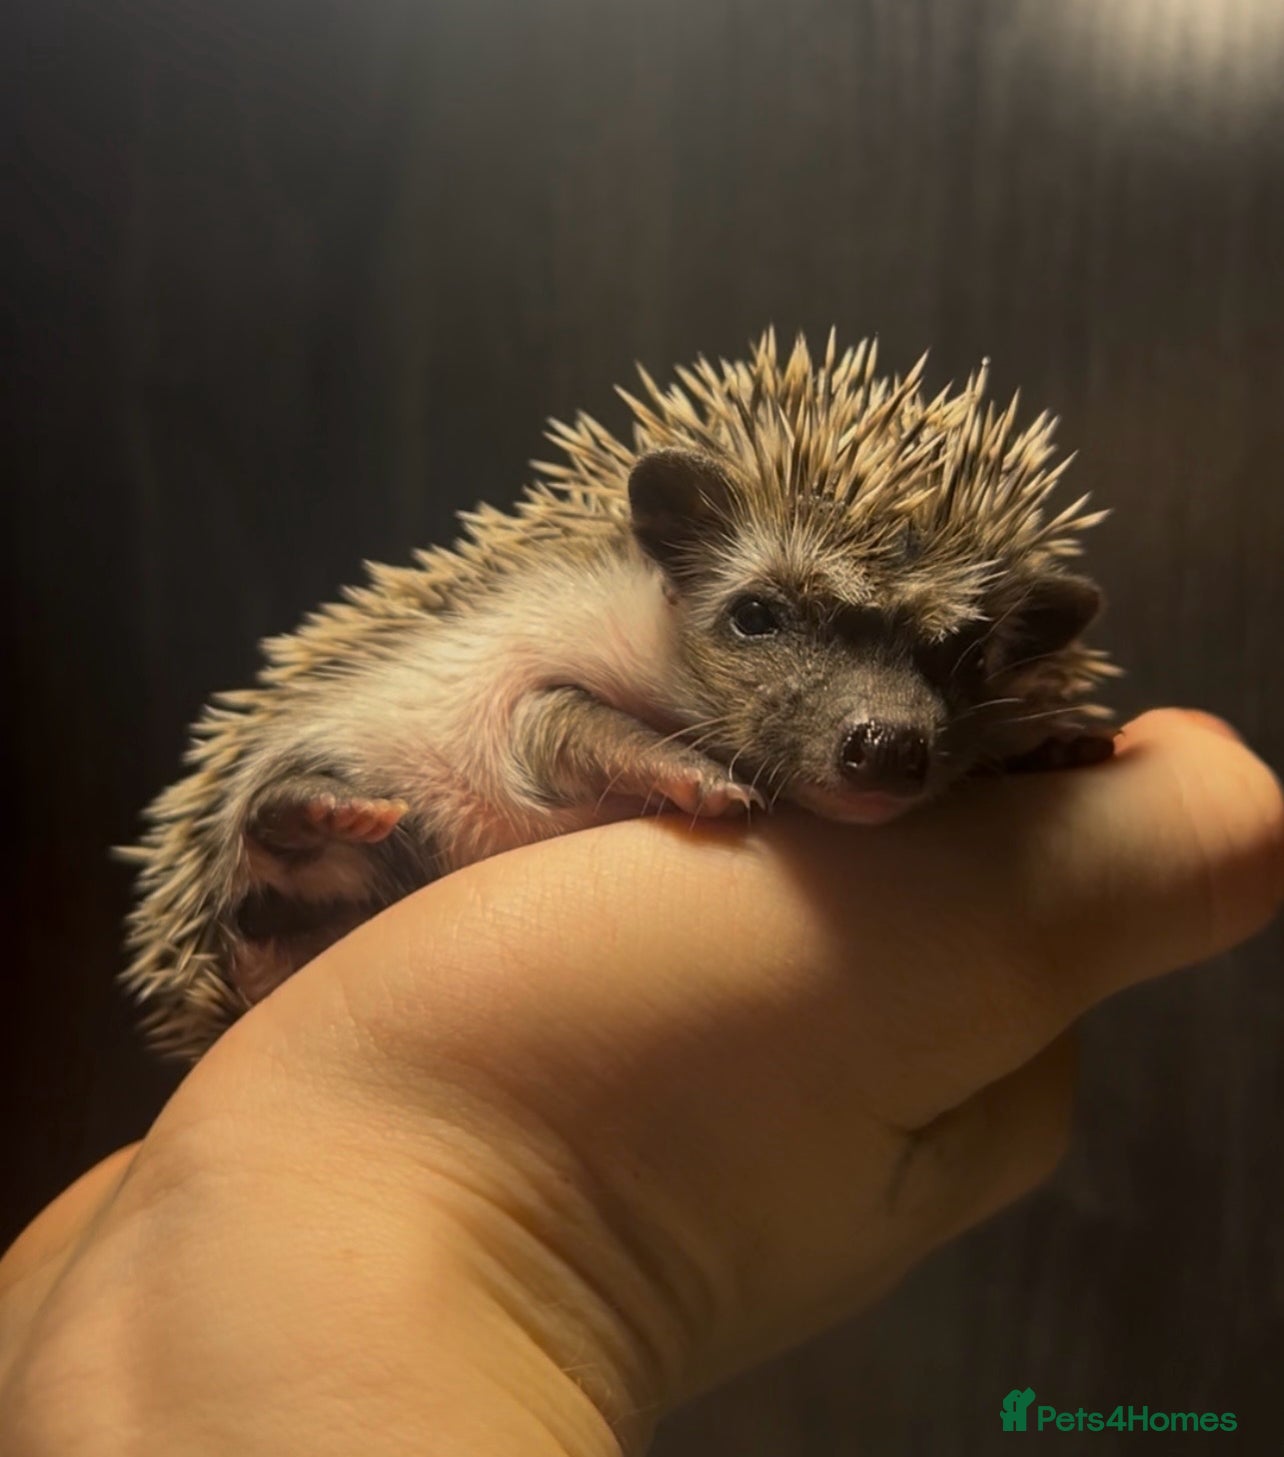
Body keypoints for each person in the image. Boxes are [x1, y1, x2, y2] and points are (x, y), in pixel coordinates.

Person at [1, 709, 1280, 1456]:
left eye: (942, 672)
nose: (872, 722)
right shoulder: (577, 676)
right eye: (766, 622)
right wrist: (537, 1217)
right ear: (667, 551)